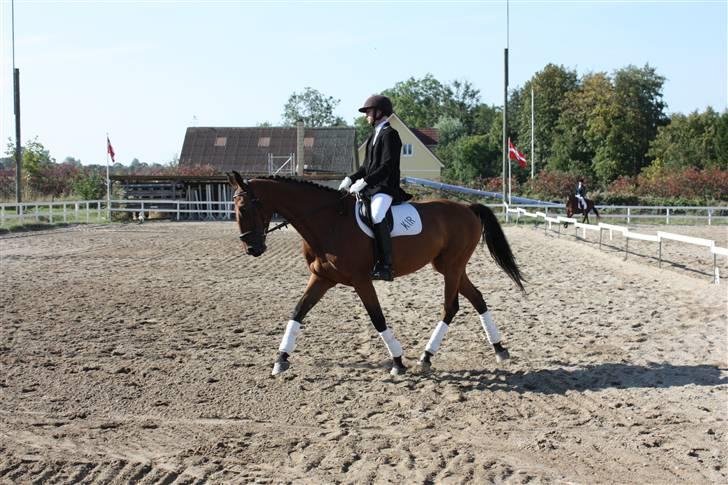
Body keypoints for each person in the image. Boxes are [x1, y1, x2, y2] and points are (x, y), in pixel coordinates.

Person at [338, 94, 411, 281]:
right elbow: (365, 167)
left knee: (377, 214)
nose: (366, 116)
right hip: (372, 187)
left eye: (368, 111)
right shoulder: (373, 136)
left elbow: (386, 166)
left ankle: (386, 264)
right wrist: (351, 178)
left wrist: (366, 182)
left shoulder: (391, 135)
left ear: (380, 112)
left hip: (386, 187)